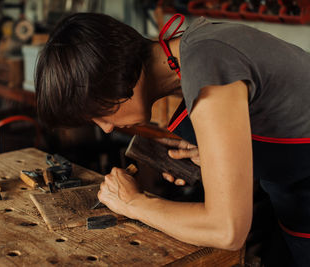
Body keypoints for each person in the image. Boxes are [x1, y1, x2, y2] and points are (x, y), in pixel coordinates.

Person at [35, 12, 310, 266]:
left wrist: (134, 204)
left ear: (117, 80)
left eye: (100, 113)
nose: (106, 128)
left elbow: (227, 230)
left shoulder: (207, 65)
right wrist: (215, 159)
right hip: (292, 207)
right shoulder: (195, 48)